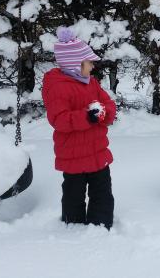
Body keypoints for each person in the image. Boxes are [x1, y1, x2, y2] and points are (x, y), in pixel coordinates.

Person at [42, 27, 117, 228]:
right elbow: (59, 119)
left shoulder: (91, 82)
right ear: (75, 65)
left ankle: (100, 225)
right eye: (89, 62)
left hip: (97, 150)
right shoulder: (57, 86)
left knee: (102, 191)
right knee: (74, 194)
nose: (92, 66)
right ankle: (72, 226)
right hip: (73, 153)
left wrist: (104, 112)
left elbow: (108, 103)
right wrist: (87, 116)